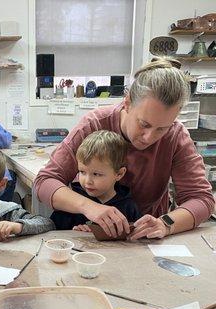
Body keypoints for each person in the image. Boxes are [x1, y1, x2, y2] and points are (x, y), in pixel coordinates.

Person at [34, 57, 215, 240]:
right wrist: (89, 206)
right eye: (144, 124)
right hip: (89, 233)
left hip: (145, 238)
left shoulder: (176, 136)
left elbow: (202, 199)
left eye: (162, 129)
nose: (149, 137)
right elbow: (45, 181)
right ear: (127, 103)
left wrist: (165, 223)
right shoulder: (94, 124)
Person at [51, 130, 141, 230]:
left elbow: (136, 239)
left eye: (96, 174)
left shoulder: (129, 206)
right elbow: (53, 235)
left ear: (119, 174)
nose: (87, 181)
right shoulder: (71, 202)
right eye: (82, 172)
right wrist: (75, 233)